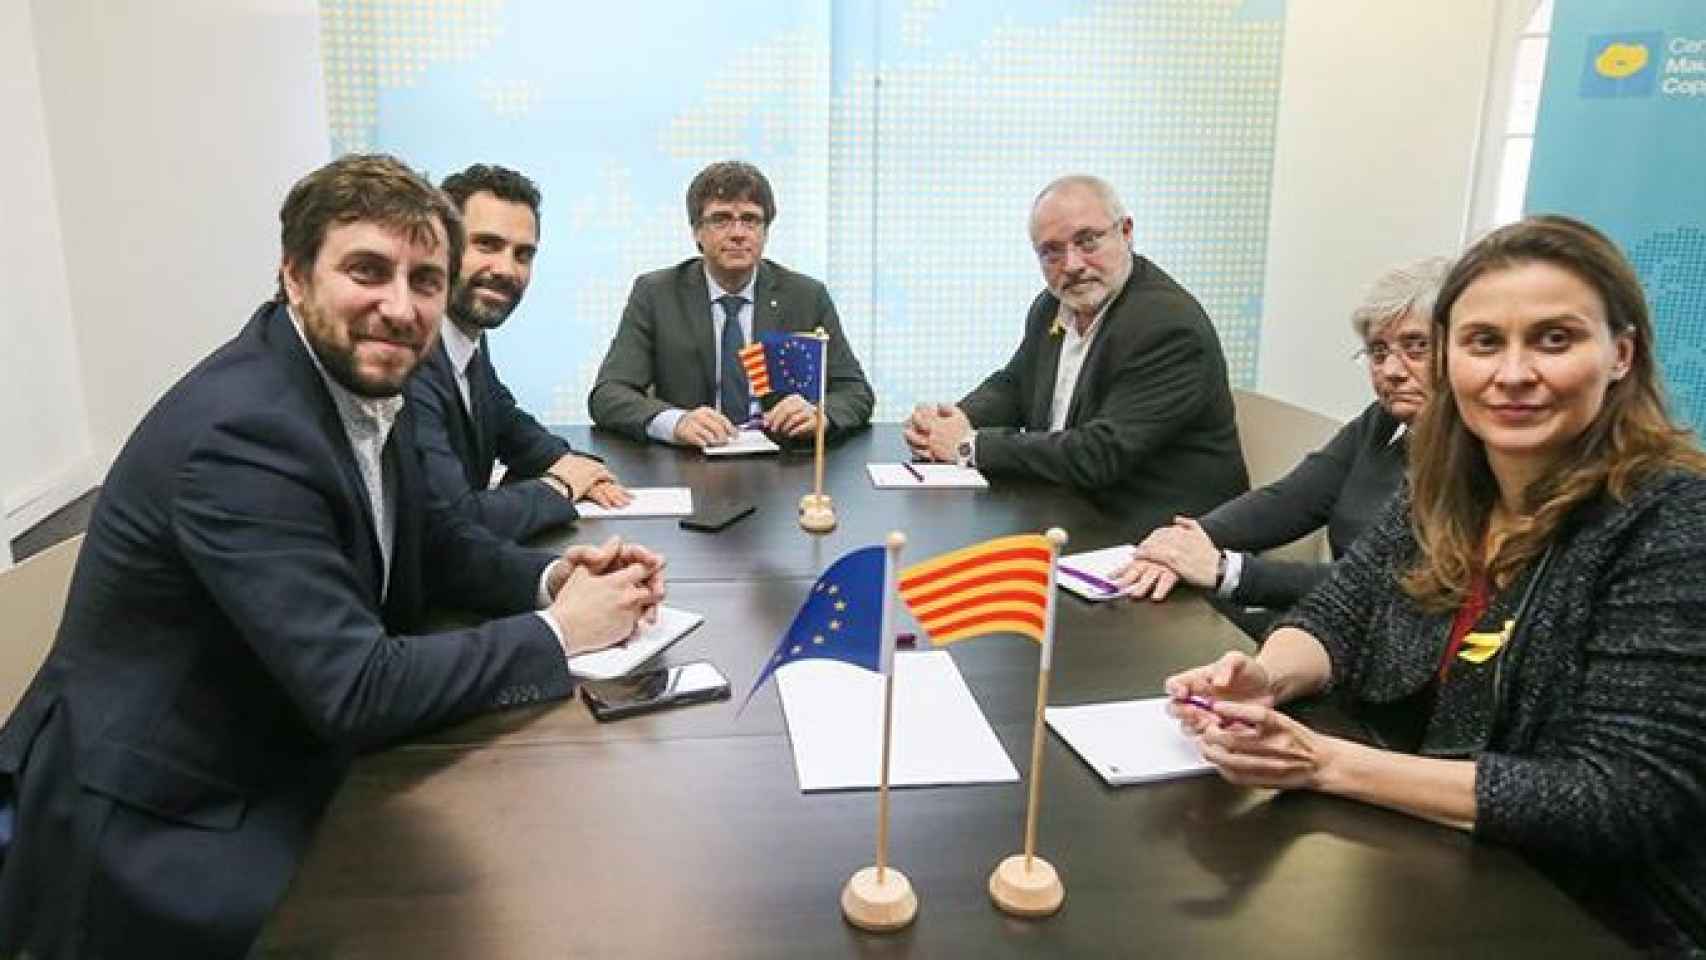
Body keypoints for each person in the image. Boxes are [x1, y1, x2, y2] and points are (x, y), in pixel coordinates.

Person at [0, 155, 667, 957]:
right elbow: (355, 688)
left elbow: (442, 544)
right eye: (367, 270)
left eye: (425, 279)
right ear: (294, 274)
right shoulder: (243, 434)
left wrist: (555, 577)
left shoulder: (356, 383)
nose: (401, 306)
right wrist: (559, 634)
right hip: (164, 817)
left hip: (273, 739)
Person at [1165, 216, 1706, 956]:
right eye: (1485, 342)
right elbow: (1337, 614)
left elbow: (1622, 797)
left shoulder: (1673, 520)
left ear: (1621, 354)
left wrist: (1328, 764)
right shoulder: (1446, 488)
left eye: (1554, 339)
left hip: (1587, 913)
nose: (1512, 372)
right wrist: (1263, 677)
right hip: (1431, 865)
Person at [903, 174, 1247, 535]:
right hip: (1067, 513)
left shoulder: (1168, 328)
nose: (1071, 264)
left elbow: (1100, 454)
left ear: (1126, 232)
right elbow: (1015, 385)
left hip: (1158, 541)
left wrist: (968, 445)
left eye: (1087, 241)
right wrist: (952, 420)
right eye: (1051, 251)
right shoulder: (1053, 304)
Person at [1116, 257, 1449, 609]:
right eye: (1378, 353)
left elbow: (1384, 587)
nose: (1392, 371)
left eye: (1416, 347)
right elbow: (1293, 499)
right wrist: (1186, 540)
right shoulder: (1383, 420)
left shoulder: (1475, 458)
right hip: (1331, 623)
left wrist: (1227, 571)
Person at [406, 163, 631, 542]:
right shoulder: (408, 352)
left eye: (523, 254)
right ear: (440, 246)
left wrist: (566, 461)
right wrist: (560, 486)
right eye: (487, 245)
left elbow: (502, 416)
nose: (506, 269)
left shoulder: (466, 334)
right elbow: (456, 522)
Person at [589, 160, 875, 447]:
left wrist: (820, 414)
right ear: (697, 232)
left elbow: (855, 392)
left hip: (783, 463)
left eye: (751, 220)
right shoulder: (657, 294)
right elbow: (608, 394)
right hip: (691, 462)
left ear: (765, 231)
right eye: (721, 219)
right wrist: (676, 422)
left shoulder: (805, 295)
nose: (738, 233)